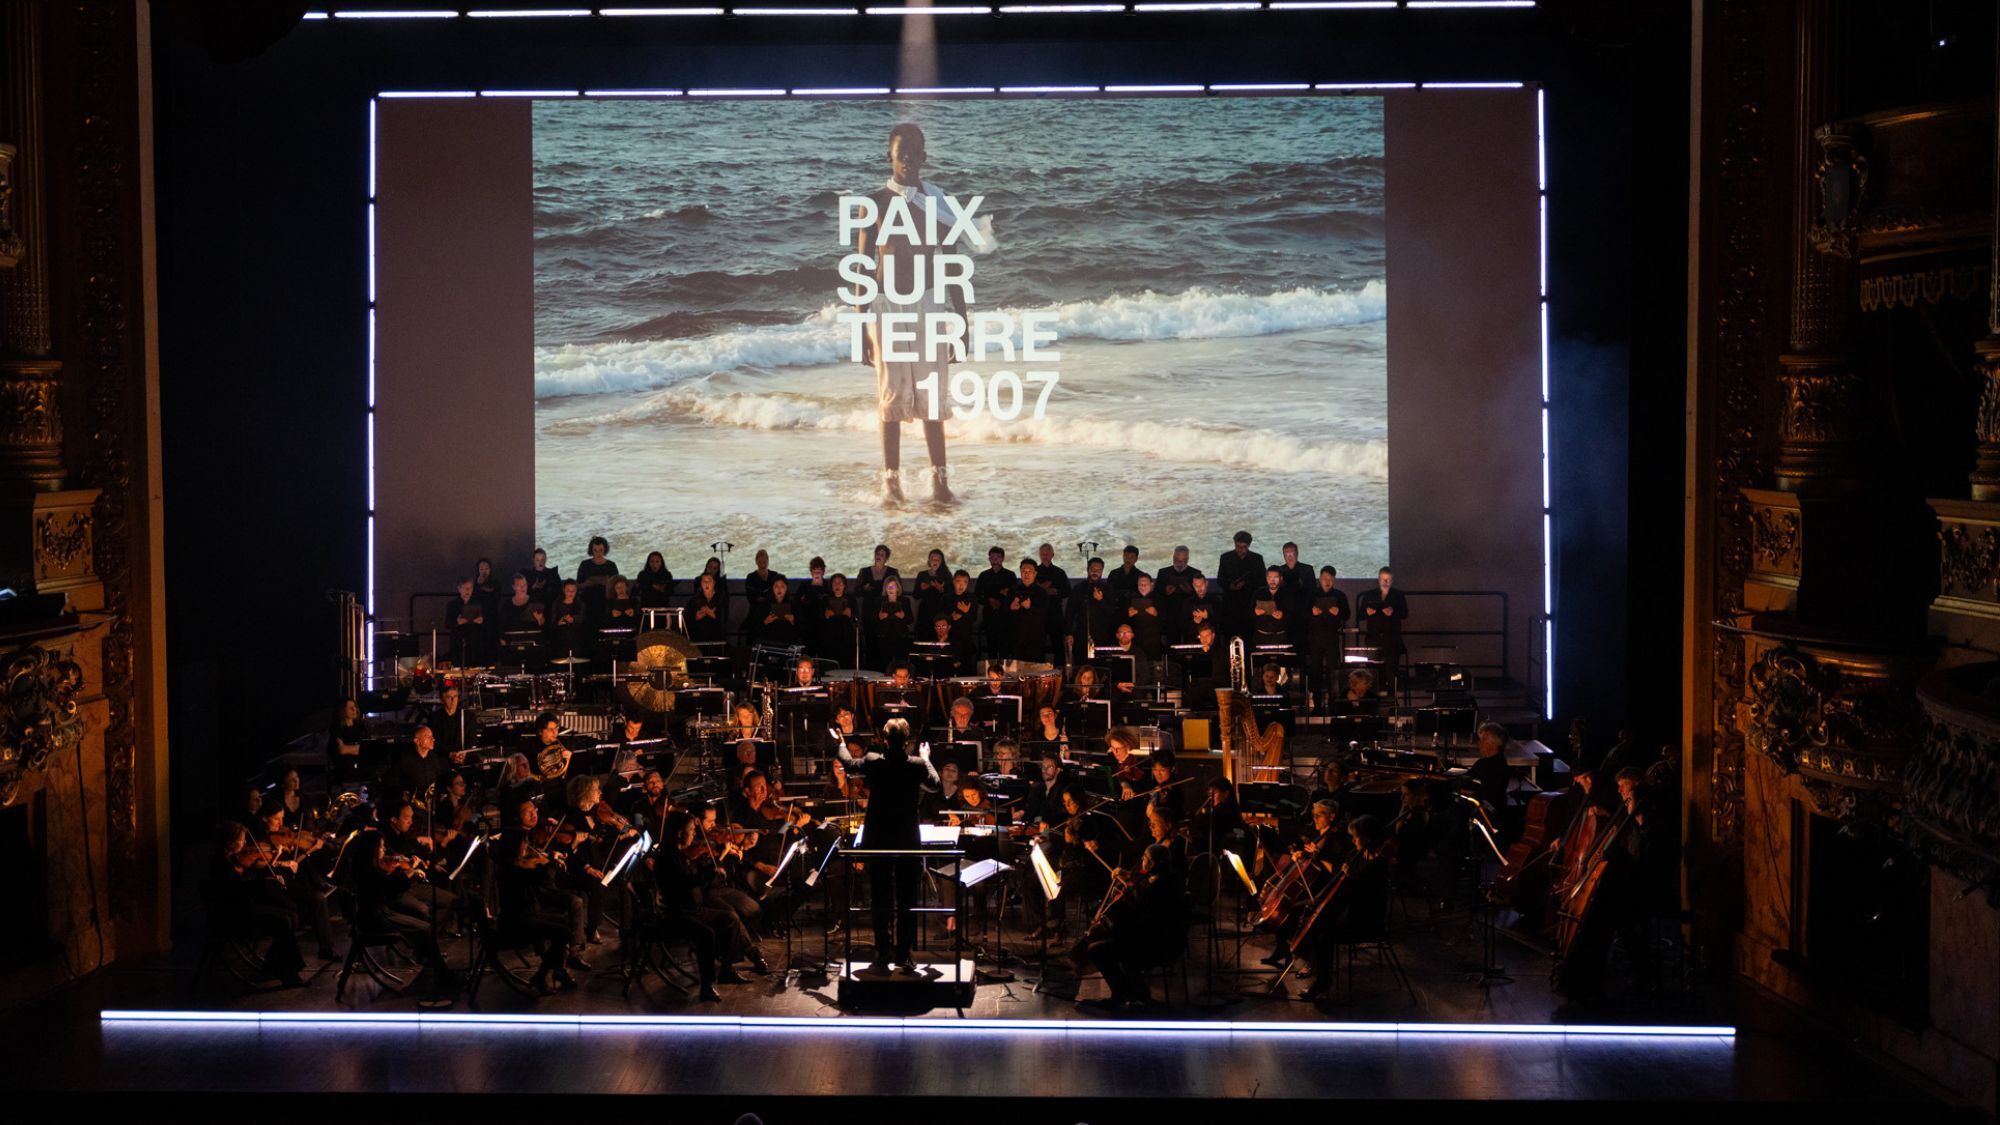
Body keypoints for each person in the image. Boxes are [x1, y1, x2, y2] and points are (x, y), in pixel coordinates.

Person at [853, 122, 963, 505]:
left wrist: (961, 321)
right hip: (886, 308)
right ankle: (892, 485)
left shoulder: (938, 204)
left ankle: (940, 483)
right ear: (890, 157)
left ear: (924, 158)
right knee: (891, 399)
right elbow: (862, 268)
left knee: (933, 399)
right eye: (902, 155)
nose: (909, 162)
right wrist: (860, 326)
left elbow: (952, 265)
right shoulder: (874, 205)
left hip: (929, 305)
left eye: (915, 155)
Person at [835, 717, 940, 972]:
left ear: (884, 740)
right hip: (906, 840)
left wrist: (841, 743)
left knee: (880, 898)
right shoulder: (916, 765)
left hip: (879, 839)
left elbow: (848, 764)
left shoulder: (873, 760)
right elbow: (935, 785)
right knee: (907, 900)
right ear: (907, 741)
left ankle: (883, 952)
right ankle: (903, 954)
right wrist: (926, 758)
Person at [653, 810, 756, 1001]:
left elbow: (690, 880)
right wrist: (709, 874)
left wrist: (709, 869)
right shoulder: (668, 856)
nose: (694, 834)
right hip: (677, 914)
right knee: (706, 934)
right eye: (691, 830)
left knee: (730, 917)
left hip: (691, 909)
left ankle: (726, 969)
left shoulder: (677, 852)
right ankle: (707, 986)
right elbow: (684, 884)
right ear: (679, 833)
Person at [1072, 841, 1185, 1010]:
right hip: (1163, 939)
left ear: (1152, 863)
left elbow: (1141, 919)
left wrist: (1119, 917)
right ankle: (1137, 992)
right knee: (1116, 942)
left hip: (1155, 945)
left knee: (1097, 950)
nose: (1142, 861)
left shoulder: (1157, 888)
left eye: (1144, 858)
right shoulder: (1168, 879)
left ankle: (1120, 995)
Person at [1295, 814, 1394, 1002]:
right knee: (1313, 919)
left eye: (1356, 837)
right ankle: (1314, 965)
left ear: (1366, 838)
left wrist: (1352, 878)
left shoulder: (1378, 864)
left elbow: (1366, 895)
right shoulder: (1358, 854)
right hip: (1351, 913)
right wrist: (1316, 856)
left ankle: (1323, 980)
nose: (1353, 840)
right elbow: (1338, 865)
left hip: (1366, 921)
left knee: (1323, 934)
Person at [210, 821, 307, 986]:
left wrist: (267, 879)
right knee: (284, 921)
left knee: (291, 915)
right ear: (230, 842)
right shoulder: (221, 864)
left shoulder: (229, 859)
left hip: (243, 907)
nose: (245, 843)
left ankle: (273, 967)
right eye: (241, 839)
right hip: (234, 916)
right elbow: (238, 890)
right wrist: (264, 883)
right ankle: (288, 974)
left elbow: (244, 885)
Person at [1355, 566, 1410, 690]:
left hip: (1392, 639)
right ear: (1379, 579)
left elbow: (1404, 613)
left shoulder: (1398, 595)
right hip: (1373, 638)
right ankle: (1374, 698)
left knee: (1391, 672)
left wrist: (1393, 612)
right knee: (1373, 672)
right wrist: (1367, 612)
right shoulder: (1369, 595)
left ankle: (1392, 698)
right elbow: (1360, 615)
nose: (1385, 582)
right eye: (1383, 579)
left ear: (1392, 580)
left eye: (1388, 579)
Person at [1305, 566, 1350, 714]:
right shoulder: (1311, 594)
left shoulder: (1340, 595)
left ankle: (1333, 704)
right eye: (1325, 578)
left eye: (1330, 579)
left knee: (1333, 671)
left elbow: (1347, 614)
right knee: (1315, 671)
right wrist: (1311, 612)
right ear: (1320, 579)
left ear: (1334, 580)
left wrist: (1339, 612)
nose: (1327, 581)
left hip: (1331, 636)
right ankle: (1317, 705)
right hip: (1314, 637)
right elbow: (1302, 614)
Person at [1215, 531, 1266, 641]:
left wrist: (1246, 584)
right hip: (1230, 606)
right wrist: (1230, 586)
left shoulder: (1257, 559)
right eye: (1238, 546)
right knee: (1230, 637)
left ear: (1249, 545)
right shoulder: (1225, 558)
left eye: (1244, 547)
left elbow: (1262, 581)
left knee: (1249, 638)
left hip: (1249, 605)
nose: (1240, 550)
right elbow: (1220, 579)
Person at [1068, 556, 1116, 665]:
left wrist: (1101, 601)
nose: (1095, 572)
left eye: (1099, 570)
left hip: (1102, 637)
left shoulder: (1108, 589)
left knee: (1100, 667)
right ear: (1088, 569)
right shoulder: (1078, 588)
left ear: (1102, 571)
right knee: (1081, 666)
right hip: (1081, 636)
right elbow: (1070, 612)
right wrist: (1069, 633)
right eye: (1093, 569)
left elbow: (1112, 612)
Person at [1154, 546, 1203, 644]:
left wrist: (1191, 591)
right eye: (1177, 560)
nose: (1180, 563)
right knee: (1171, 642)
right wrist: (1165, 591)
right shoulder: (1163, 572)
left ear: (1187, 559)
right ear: (1173, 558)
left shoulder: (1195, 573)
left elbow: (1201, 594)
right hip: (1170, 614)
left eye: (1183, 560)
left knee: (1190, 642)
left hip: (1189, 615)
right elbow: (1156, 593)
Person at [1466, 721, 1515, 818]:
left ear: (1494, 744)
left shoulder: (1491, 765)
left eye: (1483, 739)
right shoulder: (1497, 761)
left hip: (1486, 813)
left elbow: (1474, 785)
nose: (1479, 743)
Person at [975, 546, 1016, 660]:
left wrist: (1003, 600)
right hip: (989, 616)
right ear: (989, 559)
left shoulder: (1010, 575)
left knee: (1005, 649)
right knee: (991, 648)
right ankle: (992, 670)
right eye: (992, 557)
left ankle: (1005, 669)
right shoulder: (984, 575)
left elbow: (1015, 596)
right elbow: (977, 595)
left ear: (1003, 559)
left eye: (998, 557)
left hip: (1005, 616)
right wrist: (988, 601)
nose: (995, 559)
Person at [1006, 558, 1049, 664]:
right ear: (1020, 572)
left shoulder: (1041, 592)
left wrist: (1030, 607)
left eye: (1030, 571)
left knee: (1035, 668)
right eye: (1024, 571)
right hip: (1016, 637)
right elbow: (1003, 613)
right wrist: (1010, 607)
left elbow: (1045, 614)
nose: (1026, 574)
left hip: (1035, 638)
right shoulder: (1013, 590)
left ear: (1035, 573)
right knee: (1017, 669)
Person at [873, 575, 914, 672]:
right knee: (884, 665)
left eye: (893, 586)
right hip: (884, 638)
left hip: (901, 637)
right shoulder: (879, 601)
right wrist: (879, 617)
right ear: (885, 588)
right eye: (889, 586)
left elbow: (911, 619)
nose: (891, 589)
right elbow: (873, 620)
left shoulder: (904, 601)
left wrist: (903, 616)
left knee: (901, 665)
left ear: (898, 588)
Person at [1251, 566, 1294, 646]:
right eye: (1269, 577)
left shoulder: (1288, 594)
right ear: (1266, 578)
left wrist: (1283, 615)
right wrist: (1255, 612)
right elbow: (1248, 612)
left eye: (1275, 577)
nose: (1272, 580)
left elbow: (1294, 614)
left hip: (1282, 636)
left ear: (1281, 578)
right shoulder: (1258, 593)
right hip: (1261, 635)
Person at [686, 571, 728, 646]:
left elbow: (724, 617)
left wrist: (711, 613)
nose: (706, 583)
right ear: (701, 583)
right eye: (704, 581)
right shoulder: (695, 599)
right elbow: (688, 617)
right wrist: (696, 616)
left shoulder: (720, 598)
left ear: (714, 583)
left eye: (709, 581)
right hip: (698, 637)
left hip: (716, 637)